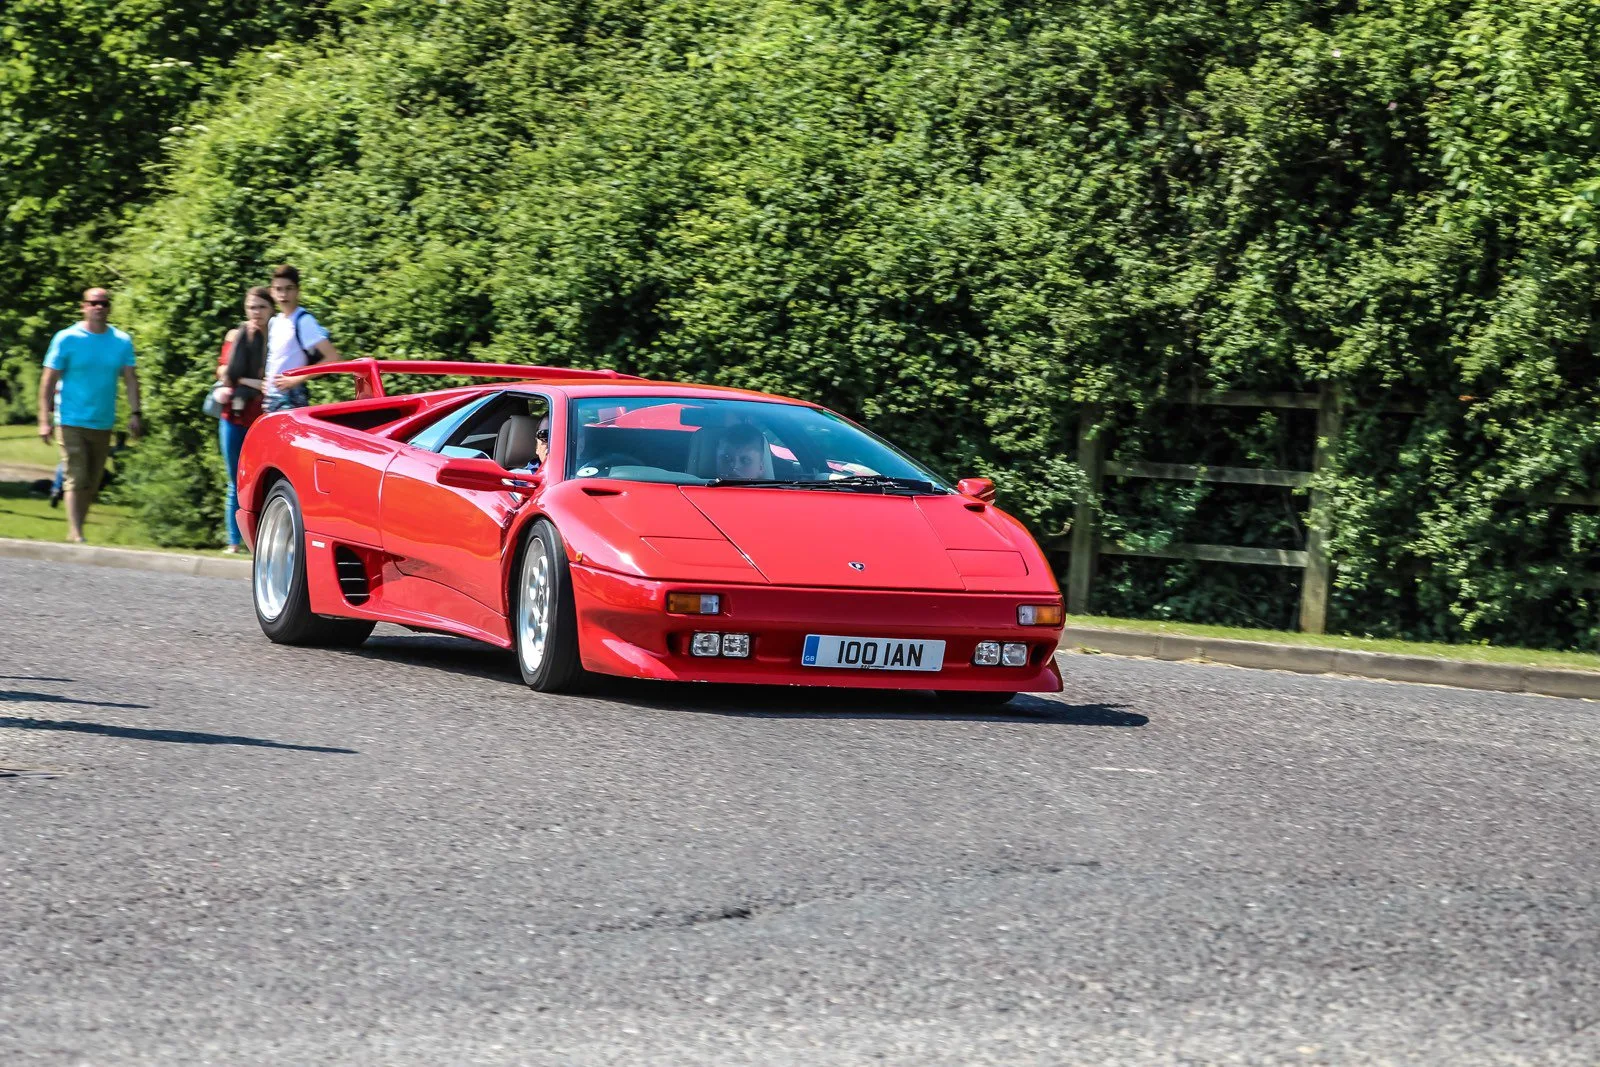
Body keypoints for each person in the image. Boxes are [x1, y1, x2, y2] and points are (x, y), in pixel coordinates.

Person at [35, 288, 140, 542]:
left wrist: (136, 413)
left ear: (109, 307)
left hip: (103, 422)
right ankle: (76, 532)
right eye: (94, 303)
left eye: (104, 303)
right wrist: (43, 419)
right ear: (83, 306)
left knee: (91, 482)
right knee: (76, 475)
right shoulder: (67, 338)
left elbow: (130, 380)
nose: (99, 307)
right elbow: (48, 380)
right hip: (70, 419)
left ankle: (76, 532)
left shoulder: (121, 342)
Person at [212, 286, 273, 552]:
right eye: (251, 307)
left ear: (271, 309)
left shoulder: (276, 338)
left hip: (264, 418)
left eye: (261, 307)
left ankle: (259, 542)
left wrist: (249, 381)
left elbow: (273, 382)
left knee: (262, 481)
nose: (255, 313)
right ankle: (233, 541)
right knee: (234, 479)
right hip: (234, 415)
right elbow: (224, 372)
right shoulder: (236, 335)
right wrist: (249, 380)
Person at [263, 264, 342, 411]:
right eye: (278, 289)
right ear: (271, 292)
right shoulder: (275, 321)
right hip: (272, 397)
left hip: (291, 398)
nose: (283, 295)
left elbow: (332, 357)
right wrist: (266, 381)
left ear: (298, 291)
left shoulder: (304, 321)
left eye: (289, 289)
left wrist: (296, 379)